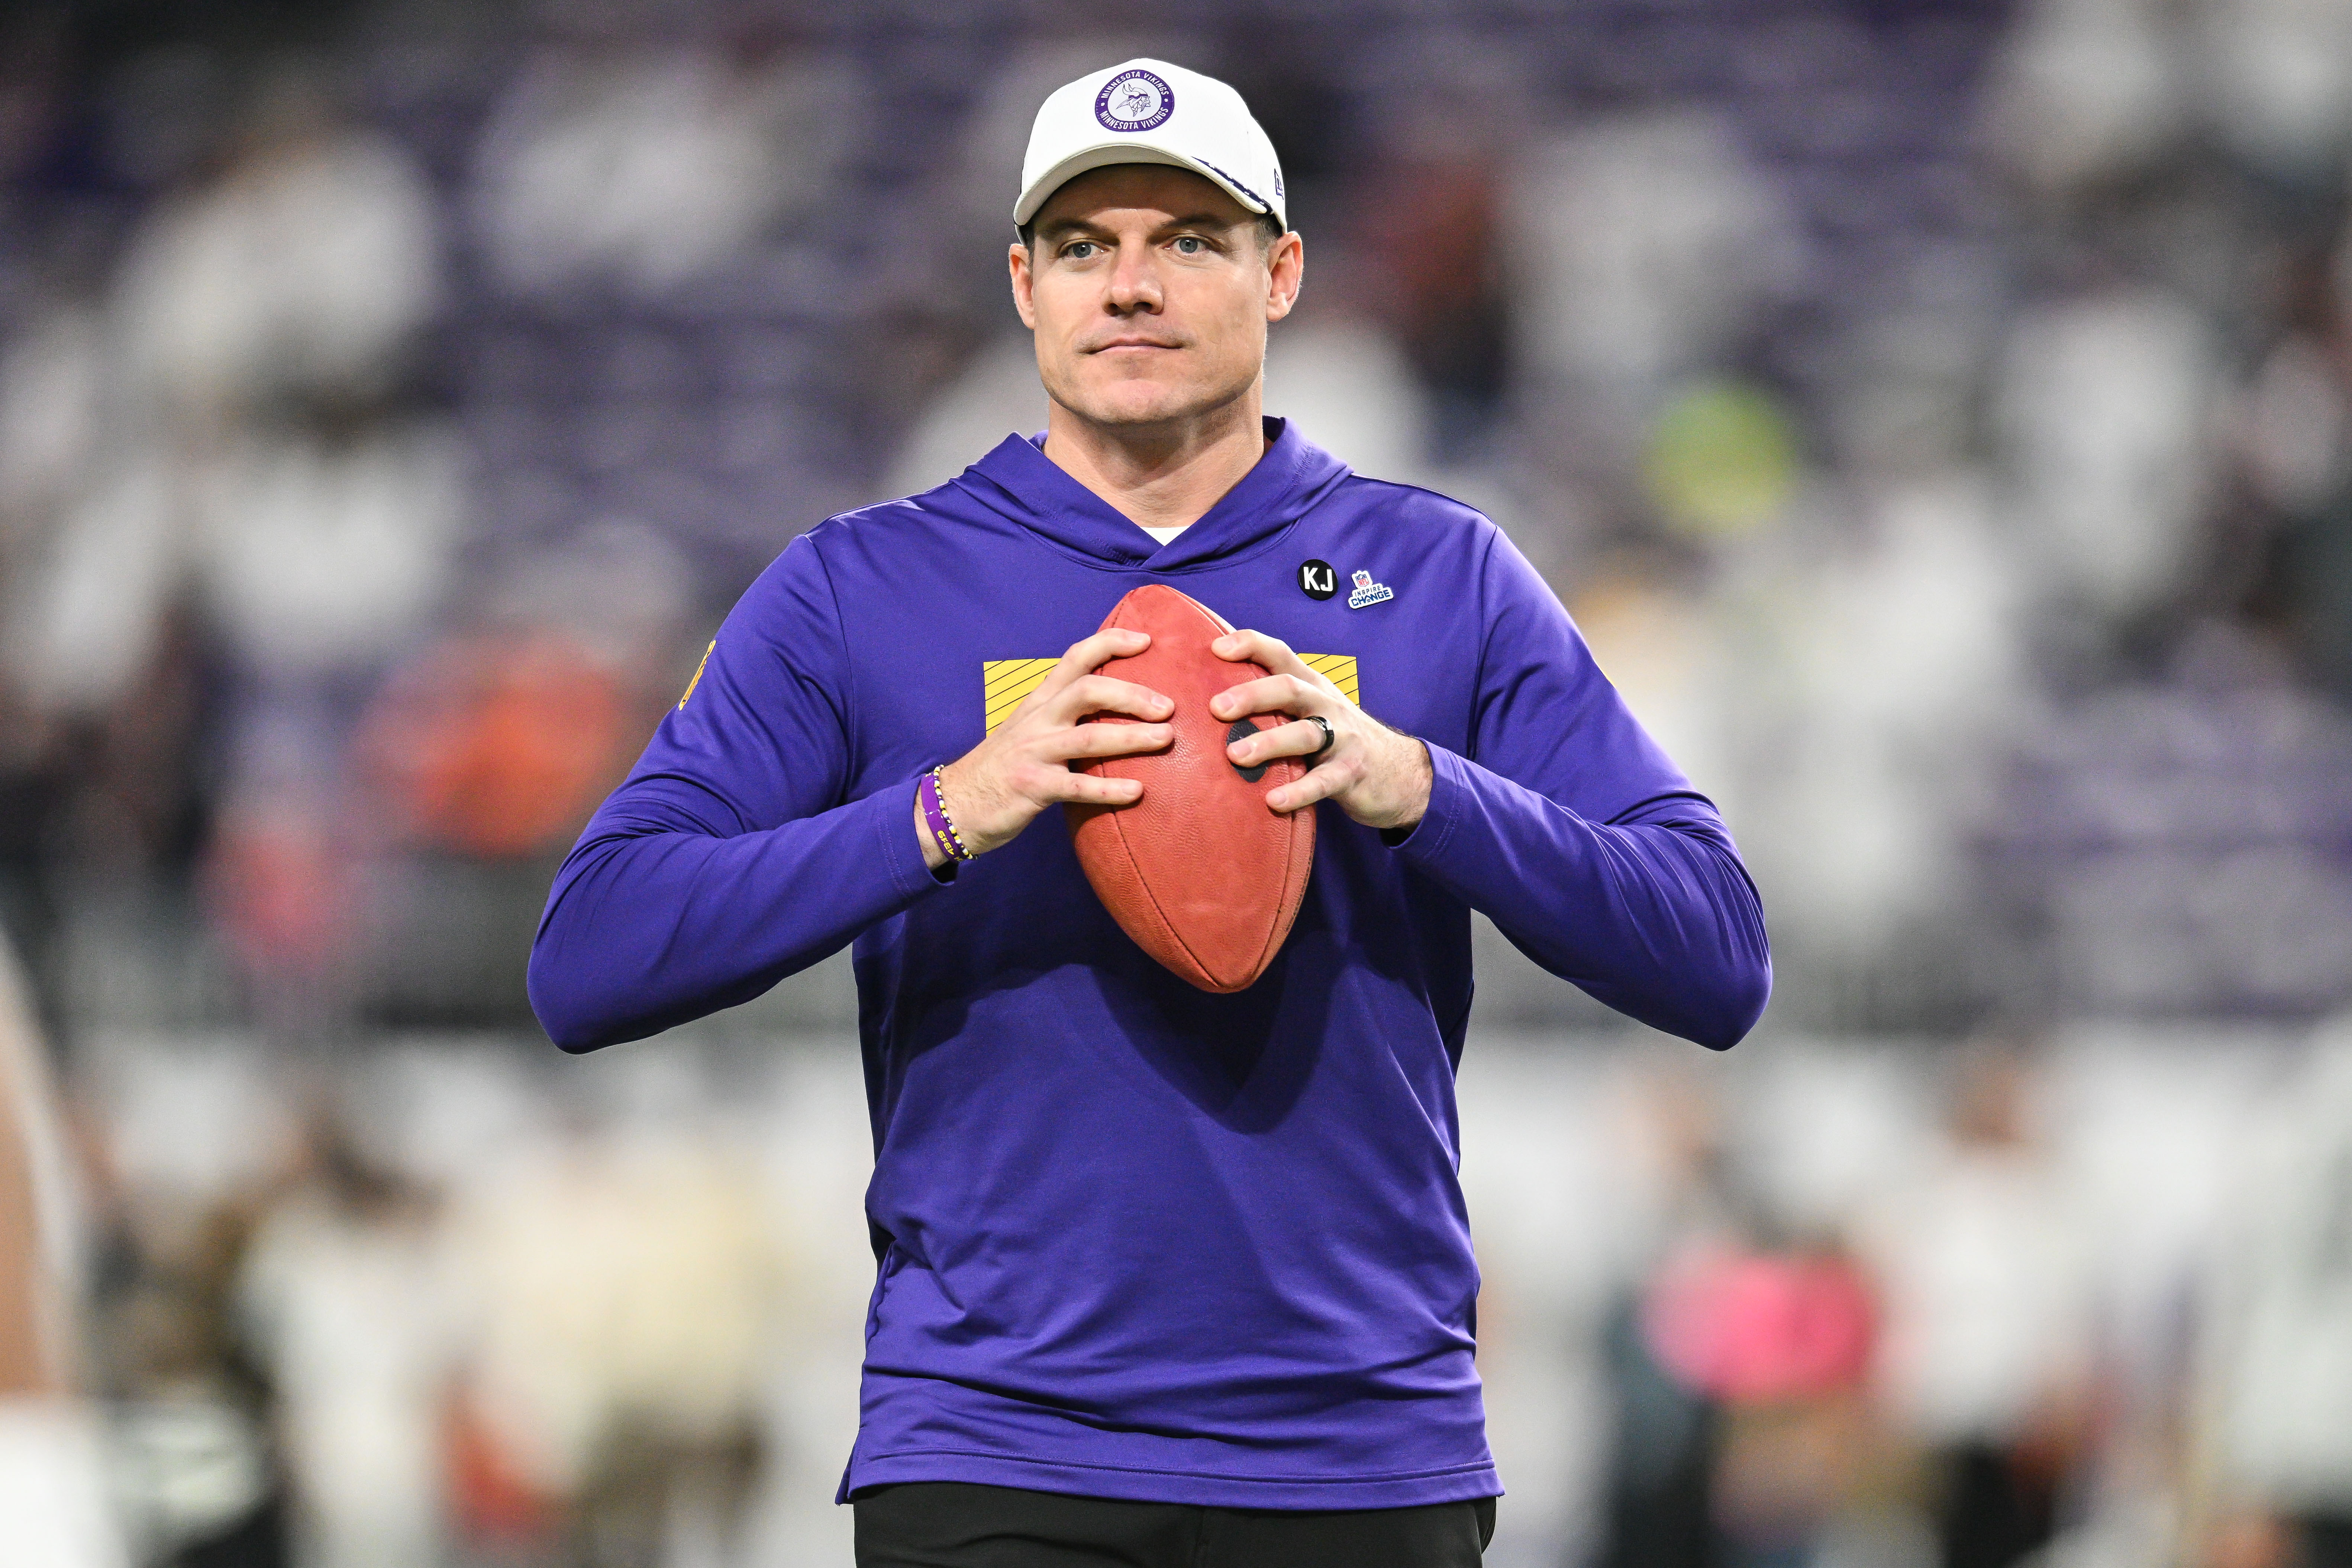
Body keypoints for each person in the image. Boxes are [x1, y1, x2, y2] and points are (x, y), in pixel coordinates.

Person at [528, 58, 1770, 1568]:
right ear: (1022, 284)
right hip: (996, 1438)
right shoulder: (863, 586)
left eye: (1188, 238)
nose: (1129, 285)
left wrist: (1422, 788)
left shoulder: (1439, 572)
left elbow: (1715, 953)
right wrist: (949, 806)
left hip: (1359, 1444)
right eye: (1081, 245)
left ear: (1284, 270)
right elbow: (588, 956)